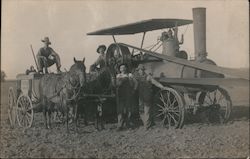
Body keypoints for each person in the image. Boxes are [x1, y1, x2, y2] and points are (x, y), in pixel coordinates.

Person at [134, 64, 165, 130]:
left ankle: (146, 126)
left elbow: (155, 83)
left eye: (142, 70)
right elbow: (135, 86)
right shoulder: (137, 78)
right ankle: (147, 123)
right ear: (138, 71)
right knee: (141, 111)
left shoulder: (148, 77)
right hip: (141, 97)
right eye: (139, 70)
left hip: (147, 96)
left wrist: (162, 87)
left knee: (147, 111)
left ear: (143, 70)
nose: (140, 71)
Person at [116, 64, 138, 131]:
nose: (123, 69)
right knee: (120, 110)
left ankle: (128, 124)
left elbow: (136, 83)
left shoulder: (130, 75)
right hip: (120, 95)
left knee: (128, 110)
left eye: (124, 67)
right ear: (120, 69)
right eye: (121, 68)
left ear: (126, 68)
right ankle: (120, 125)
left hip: (128, 94)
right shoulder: (118, 76)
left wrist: (134, 90)